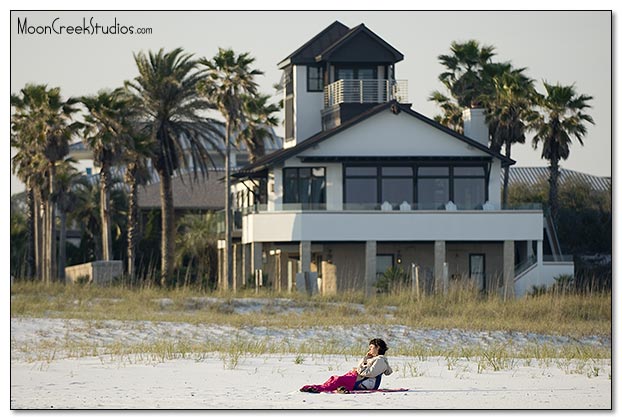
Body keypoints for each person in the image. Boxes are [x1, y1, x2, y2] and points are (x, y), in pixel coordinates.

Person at [300, 338, 393, 393]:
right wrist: (361, 365)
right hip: (358, 378)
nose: (369, 350)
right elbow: (365, 370)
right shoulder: (374, 359)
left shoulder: (380, 361)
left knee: (338, 380)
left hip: (363, 382)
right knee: (334, 379)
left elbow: (369, 373)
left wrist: (361, 365)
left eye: (371, 348)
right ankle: (319, 387)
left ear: (378, 348)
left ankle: (319, 389)